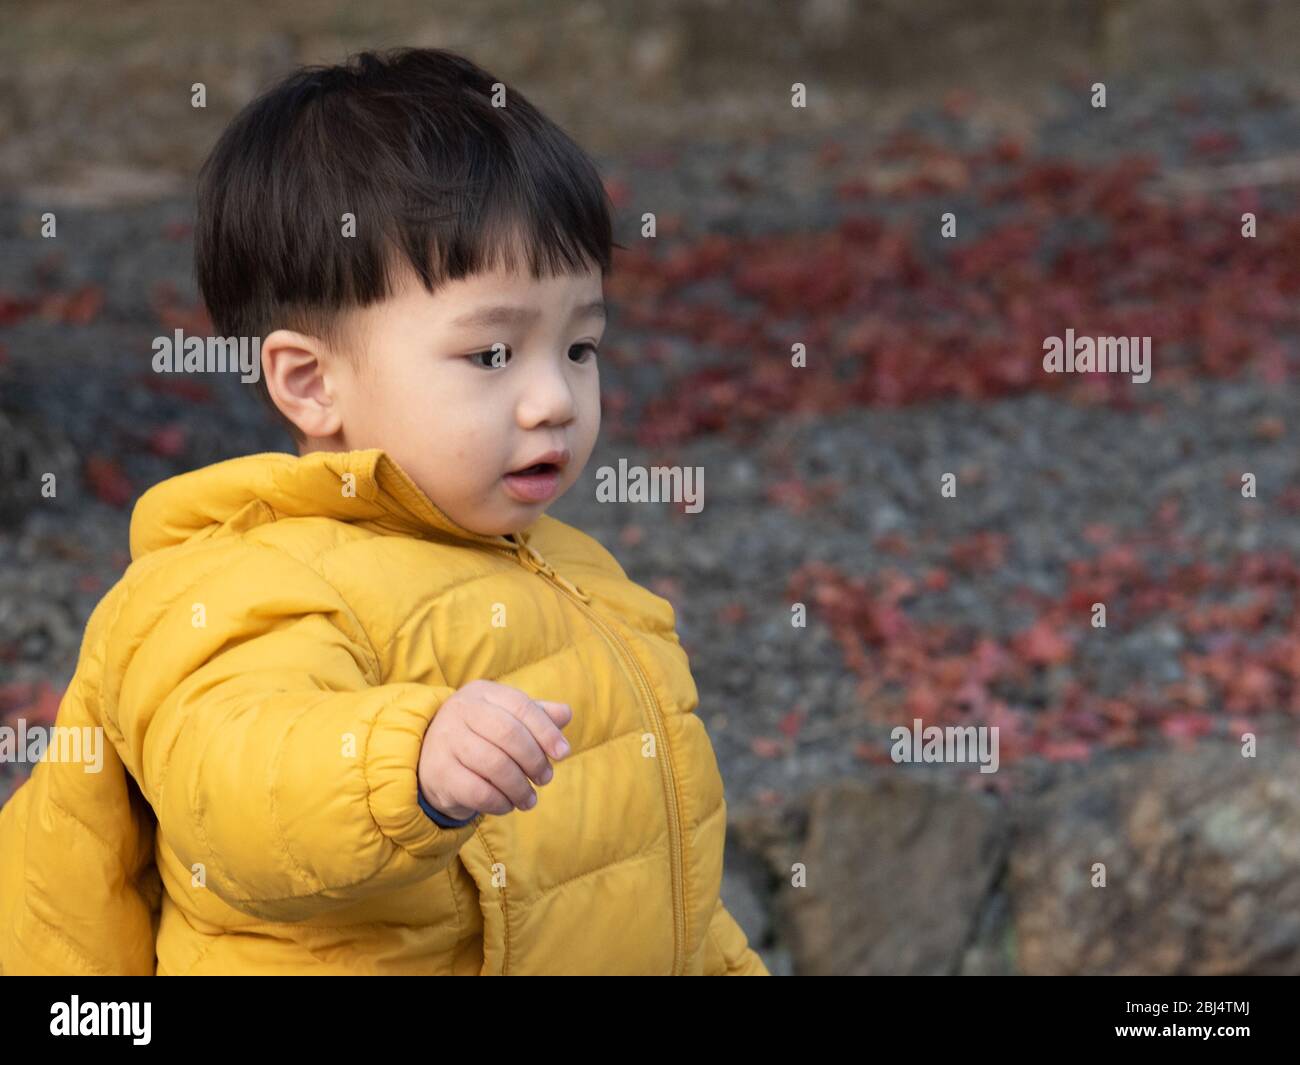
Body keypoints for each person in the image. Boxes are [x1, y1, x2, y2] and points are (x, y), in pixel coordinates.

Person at [0, 47, 768, 976]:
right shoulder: (237, 584)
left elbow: (660, 881)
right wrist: (404, 763)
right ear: (310, 382)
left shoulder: (579, 580)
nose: (554, 400)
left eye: (580, 346)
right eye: (492, 355)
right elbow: (235, 789)